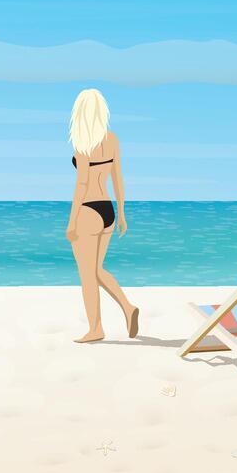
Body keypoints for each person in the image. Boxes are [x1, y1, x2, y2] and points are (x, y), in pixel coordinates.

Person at [64, 88, 138, 343]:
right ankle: (127, 307)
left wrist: (72, 221)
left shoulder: (83, 145)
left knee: (87, 275)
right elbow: (118, 177)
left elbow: (82, 185)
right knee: (97, 269)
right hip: (108, 210)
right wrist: (122, 213)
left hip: (87, 211)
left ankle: (96, 328)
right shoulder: (112, 139)